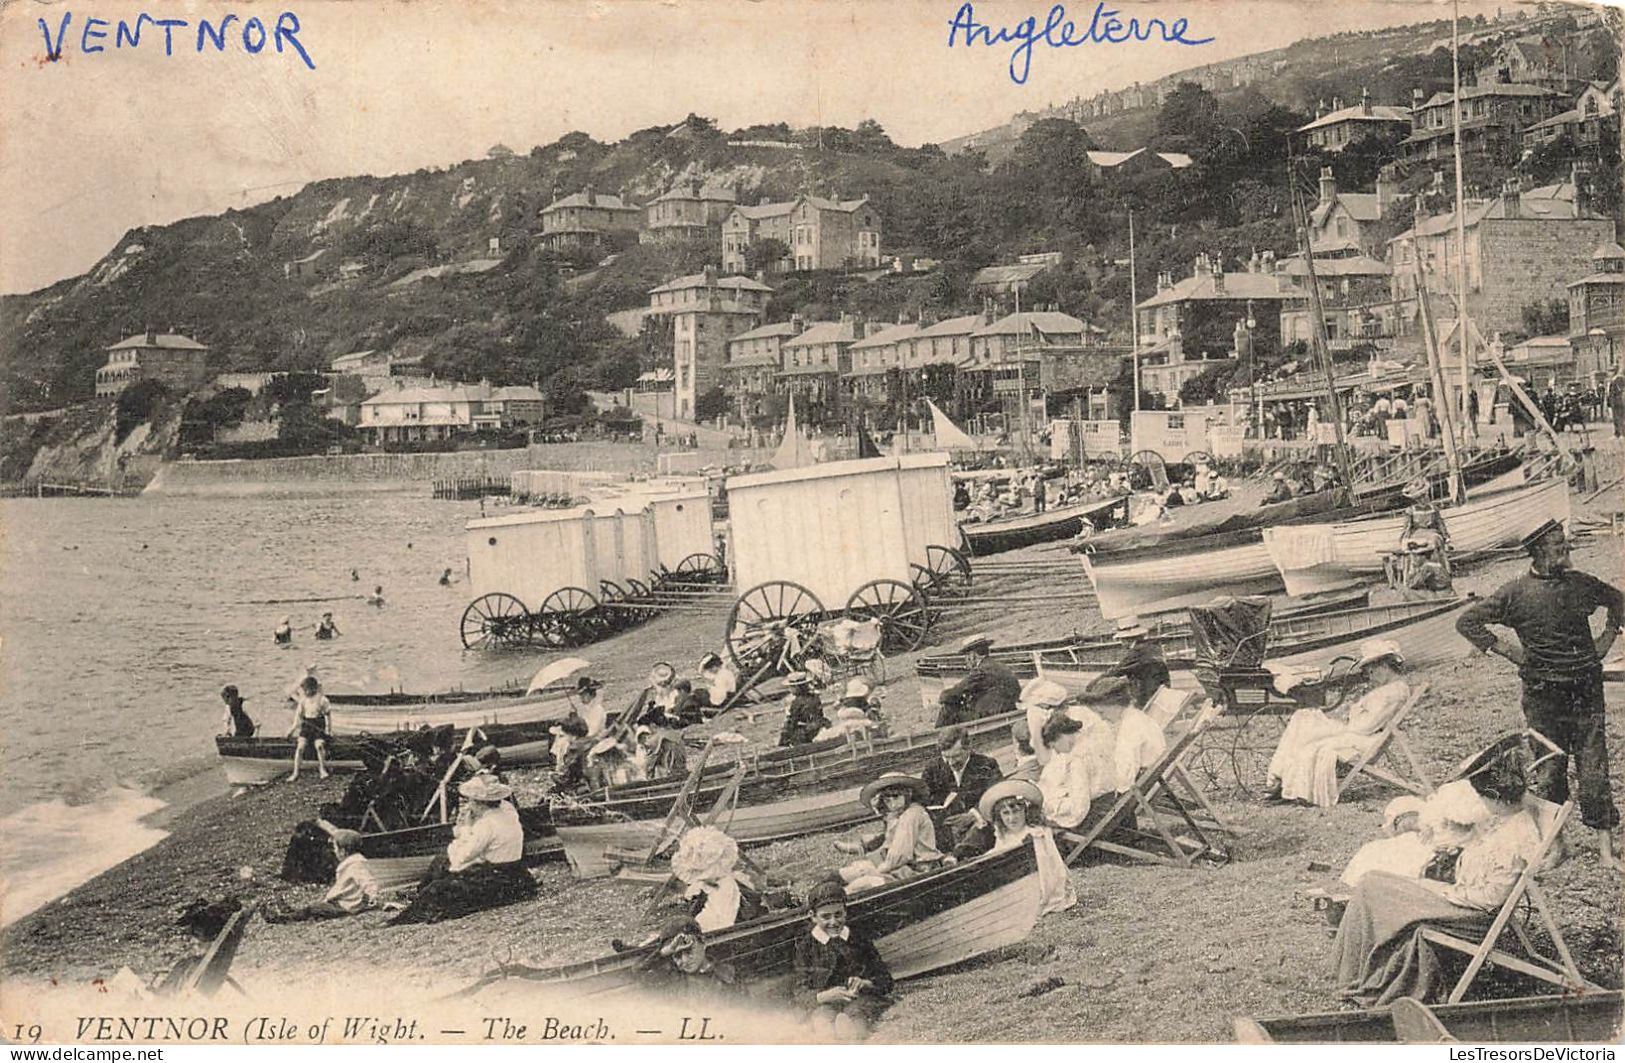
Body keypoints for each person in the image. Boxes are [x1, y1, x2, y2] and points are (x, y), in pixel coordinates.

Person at [1456, 518, 1624, 866]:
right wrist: (1508, 651)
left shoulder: (1581, 584)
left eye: (1565, 542)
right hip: (1542, 695)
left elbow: (1619, 602)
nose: (1565, 548)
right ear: (1538, 551)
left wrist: (1606, 639)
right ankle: (1559, 845)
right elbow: (1468, 622)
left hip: (1585, 690)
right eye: (1558, 543)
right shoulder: (1514, 593)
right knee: (1549, 770)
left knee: (1594, 770)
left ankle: (1606, 851)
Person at [1332, 745, 1543, 1005]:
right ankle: (1356, 975)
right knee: (1372, 881)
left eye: (1482, 798)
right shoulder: (1510, 820)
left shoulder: (1514, 836)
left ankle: (1353, 978)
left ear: (1494, 797)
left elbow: (1490, 899)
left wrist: (1439, 890)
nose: (1482, 805)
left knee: (1370, 888)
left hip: (1469, 915)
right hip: (1460, 900)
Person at [1264, 639, 1411, 808]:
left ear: (1384, 666)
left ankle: (1280, 780)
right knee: (1302, 718)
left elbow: (1364, 727)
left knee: (1304, 723)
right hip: (1357, 735)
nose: (1370, 678)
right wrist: (1356, 712)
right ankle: (1282, 780)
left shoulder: (1393, 693)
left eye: (1371, 672)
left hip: (1361, 740)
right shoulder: (1391, 689)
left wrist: (1354, 712)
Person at [388, 775, 537, 925]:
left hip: (497, 877)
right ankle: (420, 893)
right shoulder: (507, 810)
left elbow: (461, 857)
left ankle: (410, 909)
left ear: (480, 803)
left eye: (470, 801)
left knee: (439, 885)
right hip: (516, 871)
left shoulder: (486, 824)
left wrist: (465, 828)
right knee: (441, 862)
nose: (468, 806)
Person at [951, 779, 1077, 915]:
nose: (1012, 818)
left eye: (1016, 812)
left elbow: (1050, 867)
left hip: (1040, 882)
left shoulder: (1036, 833)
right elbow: (999, 852)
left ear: (1025, 811)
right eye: (1005, 813)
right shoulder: (1004, 833)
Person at [794, 880, 894, 1041]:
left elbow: (886, 980)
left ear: (845, 912)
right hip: (826, 1002)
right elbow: (799, 993)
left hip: (860, 999)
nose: (833, 922)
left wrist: (865, 983)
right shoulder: (806, 947)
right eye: (825, 917)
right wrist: (824, 996)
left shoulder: (859, 938)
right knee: (822, 1021)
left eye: (838, 914)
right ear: (812, 916)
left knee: (856, 1018)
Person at [836, 774, 944, 891]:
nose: (892, 804)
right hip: (903, 866)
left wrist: (876, 871)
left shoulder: (911, 815)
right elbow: (888, 846)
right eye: (887, 800)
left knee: (857, 886)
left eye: (896, 797)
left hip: (917, 871)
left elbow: (900, 855)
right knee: (851, 872)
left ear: (908, 793)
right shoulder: (900, 814)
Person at [263, 830, 381, 923]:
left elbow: (368, 881)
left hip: (346, 906)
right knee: (315, 908)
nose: (335, 852)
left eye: (335, 848)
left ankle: (283, 918)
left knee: (314, 909)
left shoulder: (356, 866)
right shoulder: (352, 864)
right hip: (345, 903)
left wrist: (371, 897)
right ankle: (290, 912)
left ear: (343, 851)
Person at [671, 826, 766, 932]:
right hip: (713, 913)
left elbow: (722, 919)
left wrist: (699, 925)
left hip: (723, 921)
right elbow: (702, 888)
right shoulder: (712, 881)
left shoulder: (724, 887)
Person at [921, 724, 1002, 848]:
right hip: (945, 830)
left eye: (956, 756)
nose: (952, 762)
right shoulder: (932, 769)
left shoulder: (986, 765)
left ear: (968, 748)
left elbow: (996, 796)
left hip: (977, 828)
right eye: (947, 757)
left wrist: (973, 815)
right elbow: (922, 798)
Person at [635, 915, 737, 1003]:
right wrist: (665, 951)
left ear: (703, 943)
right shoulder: (673, 979)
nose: (684, 960)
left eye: (689, 951)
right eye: (677, 956)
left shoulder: (727, 974)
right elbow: (639, 970)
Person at [935, 634, 1021, 728]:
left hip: (990, 718)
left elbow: (951, 694)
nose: (966, 659)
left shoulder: (981, 671)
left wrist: (945, 696)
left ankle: (937, 739)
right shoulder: (999, 666)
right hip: (1008, 713)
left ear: (973, 655)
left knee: (948, 708)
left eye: (966, 655)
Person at [1083, 619, 1170, 708]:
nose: (1121, 643)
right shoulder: (1152, 647)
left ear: (1128, 639)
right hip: (1161, 693)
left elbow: (1117, 670)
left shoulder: (1137, 652)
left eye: (1121, 639)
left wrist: (1093, 683)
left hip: (1148, 697)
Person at [1037, 713, 1095, 831]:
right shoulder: (1083, 746)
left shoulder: (1078, 759)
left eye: (1054, 746)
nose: (1056, 751)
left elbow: (1079, 808)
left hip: (1087, 815)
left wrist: (1052, 811)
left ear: (1062, 736)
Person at [286, 675, 332, 781]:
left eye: (307, 690)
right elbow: (298, 717)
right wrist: (292, 730)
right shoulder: (303, 701)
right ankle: (295, 772)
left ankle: (322, 769)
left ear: (314, 688)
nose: (305, 692)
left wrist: (328, 730)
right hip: (307, 726)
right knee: (300, 747)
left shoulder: (322, 700)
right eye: (304, 690)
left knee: (319, 746)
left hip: (318, 726)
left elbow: (328, 716)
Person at [779, 672, 829, 748]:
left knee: (794, 735)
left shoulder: (797, 702)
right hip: (820, 724)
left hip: (807, 730)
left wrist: (784, 736)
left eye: (791, 687)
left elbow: (792, 719)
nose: (790, 690)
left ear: (797, 687)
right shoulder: (814, 697)